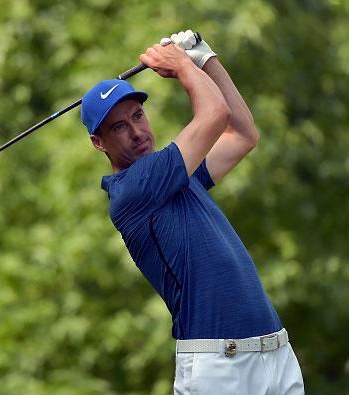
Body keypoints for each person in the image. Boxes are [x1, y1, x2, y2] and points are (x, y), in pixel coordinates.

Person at [80, 30, 305, 394]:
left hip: (275, 353)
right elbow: (214, 114)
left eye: (138, 116)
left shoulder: (178, 176)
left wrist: (206, 59)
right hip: (220, 366)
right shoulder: (134, 189)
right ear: (98, 142)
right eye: (119, 127)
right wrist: (183, 65)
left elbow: (243, 135)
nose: (137, 132)